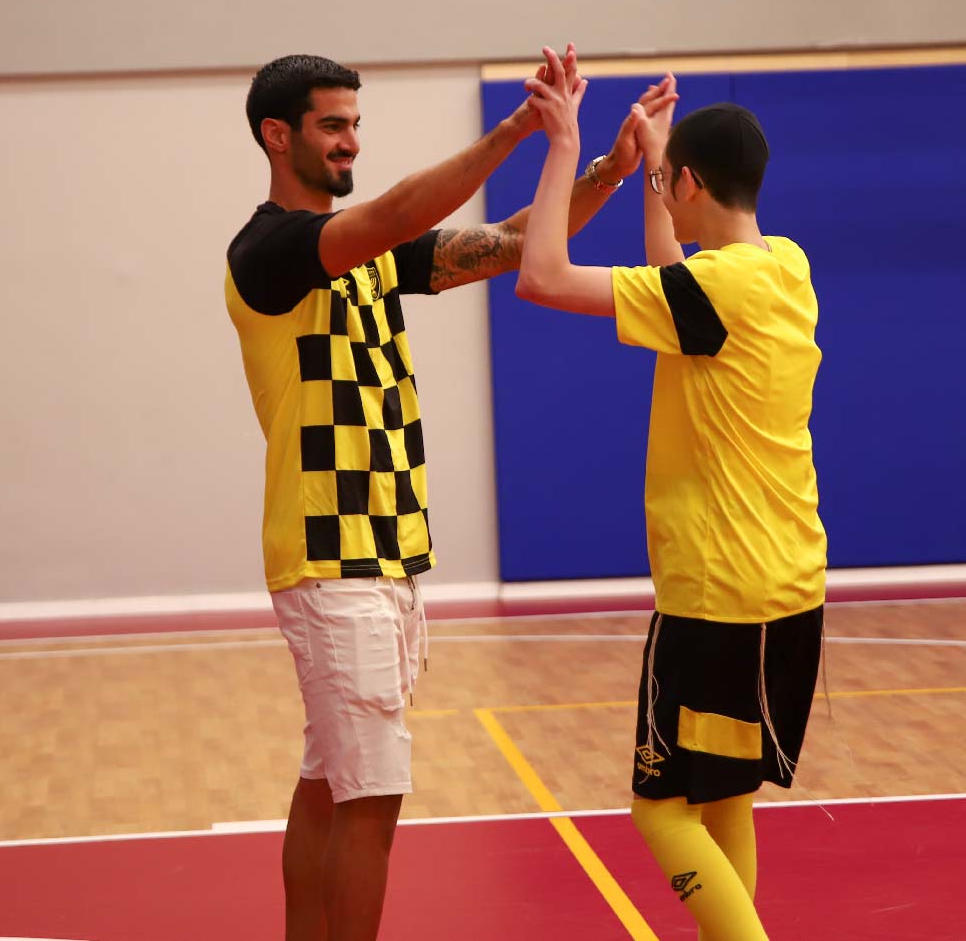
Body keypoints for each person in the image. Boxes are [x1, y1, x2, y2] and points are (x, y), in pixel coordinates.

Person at [225, 48, 668, 941]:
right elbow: (396, 211)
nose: (351, 141)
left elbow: (509, 242)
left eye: (355, 124)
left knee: (330, 779)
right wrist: (516, 129)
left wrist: (606, 171)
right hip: (332, 556)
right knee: (371, 796)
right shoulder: (270, 250)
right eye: (332, 125)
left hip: (379, 558)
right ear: (277, 135)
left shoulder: (369, 259)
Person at [512, 50, 826, 941]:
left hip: (716, 595)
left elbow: (540, 275)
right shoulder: (785, 266)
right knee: (725, 798)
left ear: (691, 182)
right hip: (787, 584)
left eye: (671, 183)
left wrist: (565, 145)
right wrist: (655, 164)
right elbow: (677, 272)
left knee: (660, 810)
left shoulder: (714, 288)